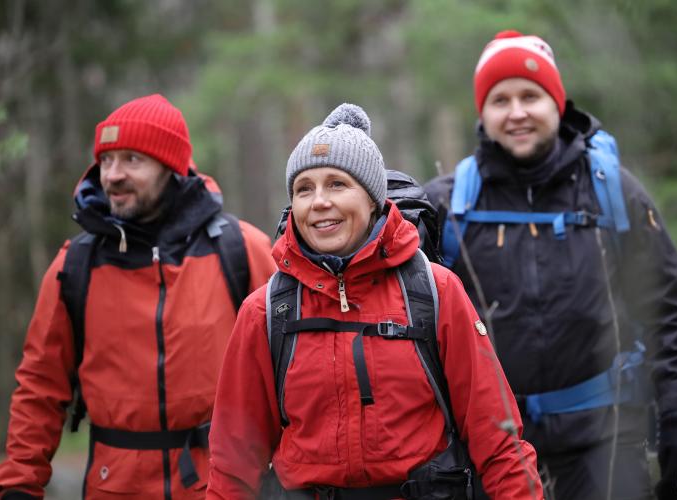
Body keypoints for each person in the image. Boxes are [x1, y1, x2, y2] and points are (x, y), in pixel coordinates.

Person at [206, 103, 543, 499]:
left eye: (337, 184)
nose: (318, 202)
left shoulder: (435, 291)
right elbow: (232, 464)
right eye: (304, 189)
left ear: (372, 199)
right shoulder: (265, 312)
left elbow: (499, 441)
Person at [424, 31, 677, 500]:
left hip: (607, 441)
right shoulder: (448, 205)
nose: (516, 112)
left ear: (557, 103)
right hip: (492, 448)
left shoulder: (613, 192)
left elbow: (667, 313)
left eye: (530, 96)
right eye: (500, 100)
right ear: (482, 113)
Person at [0, 94, 276, 499]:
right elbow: (39, 388)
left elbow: (289, 369)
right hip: (114, 487)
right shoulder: (75, 266)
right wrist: (19, 486)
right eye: (106, 160)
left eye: (132, 160)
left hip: (222, 486)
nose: (113, 175)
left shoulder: (240, 249)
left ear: (171, 166)